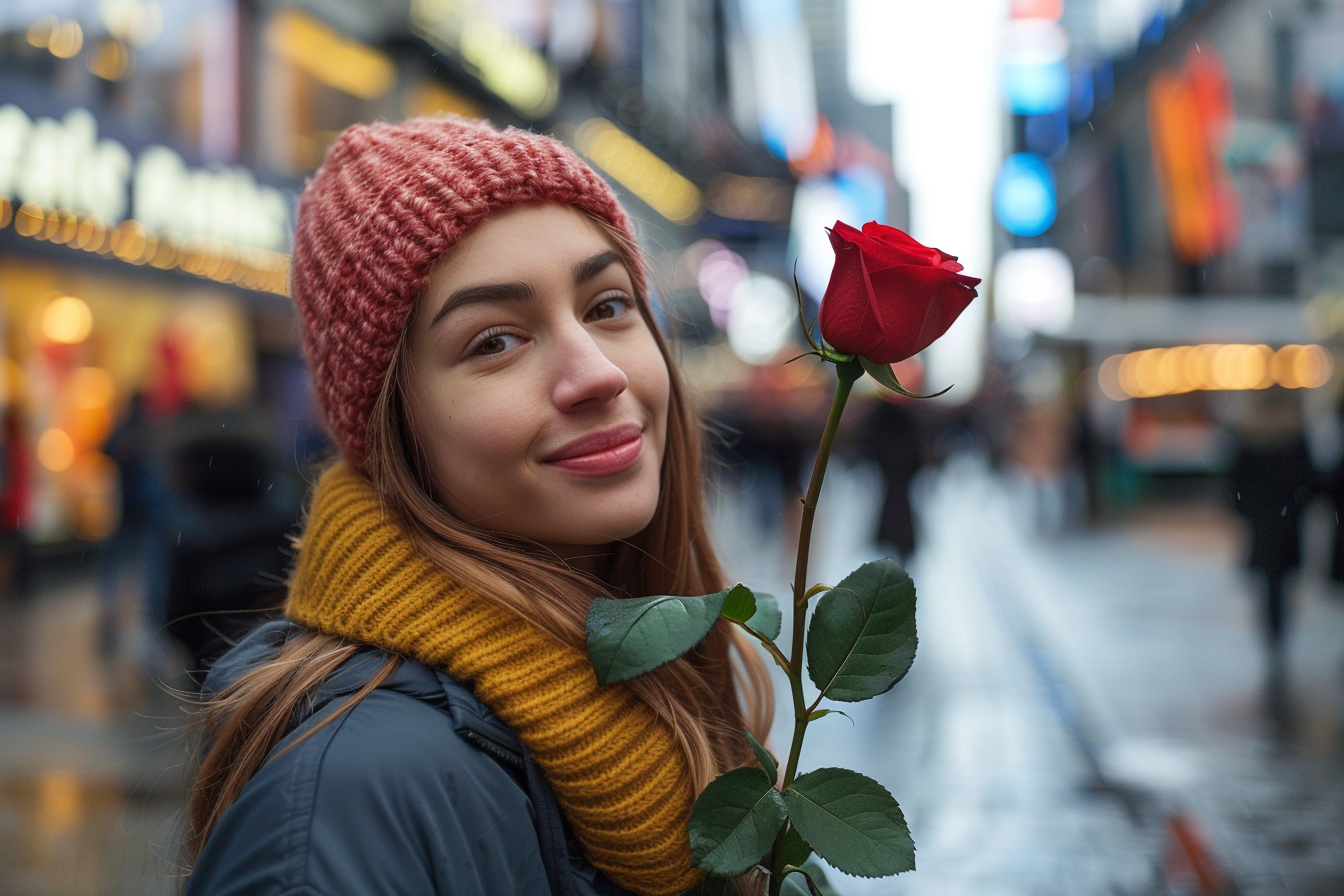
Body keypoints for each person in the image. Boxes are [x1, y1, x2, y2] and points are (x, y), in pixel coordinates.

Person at [183, 117, 774, 896]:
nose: (596, 373)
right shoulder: (344, 800)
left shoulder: (673, 695)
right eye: (495, 341)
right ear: (397, 431)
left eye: (606, 306)